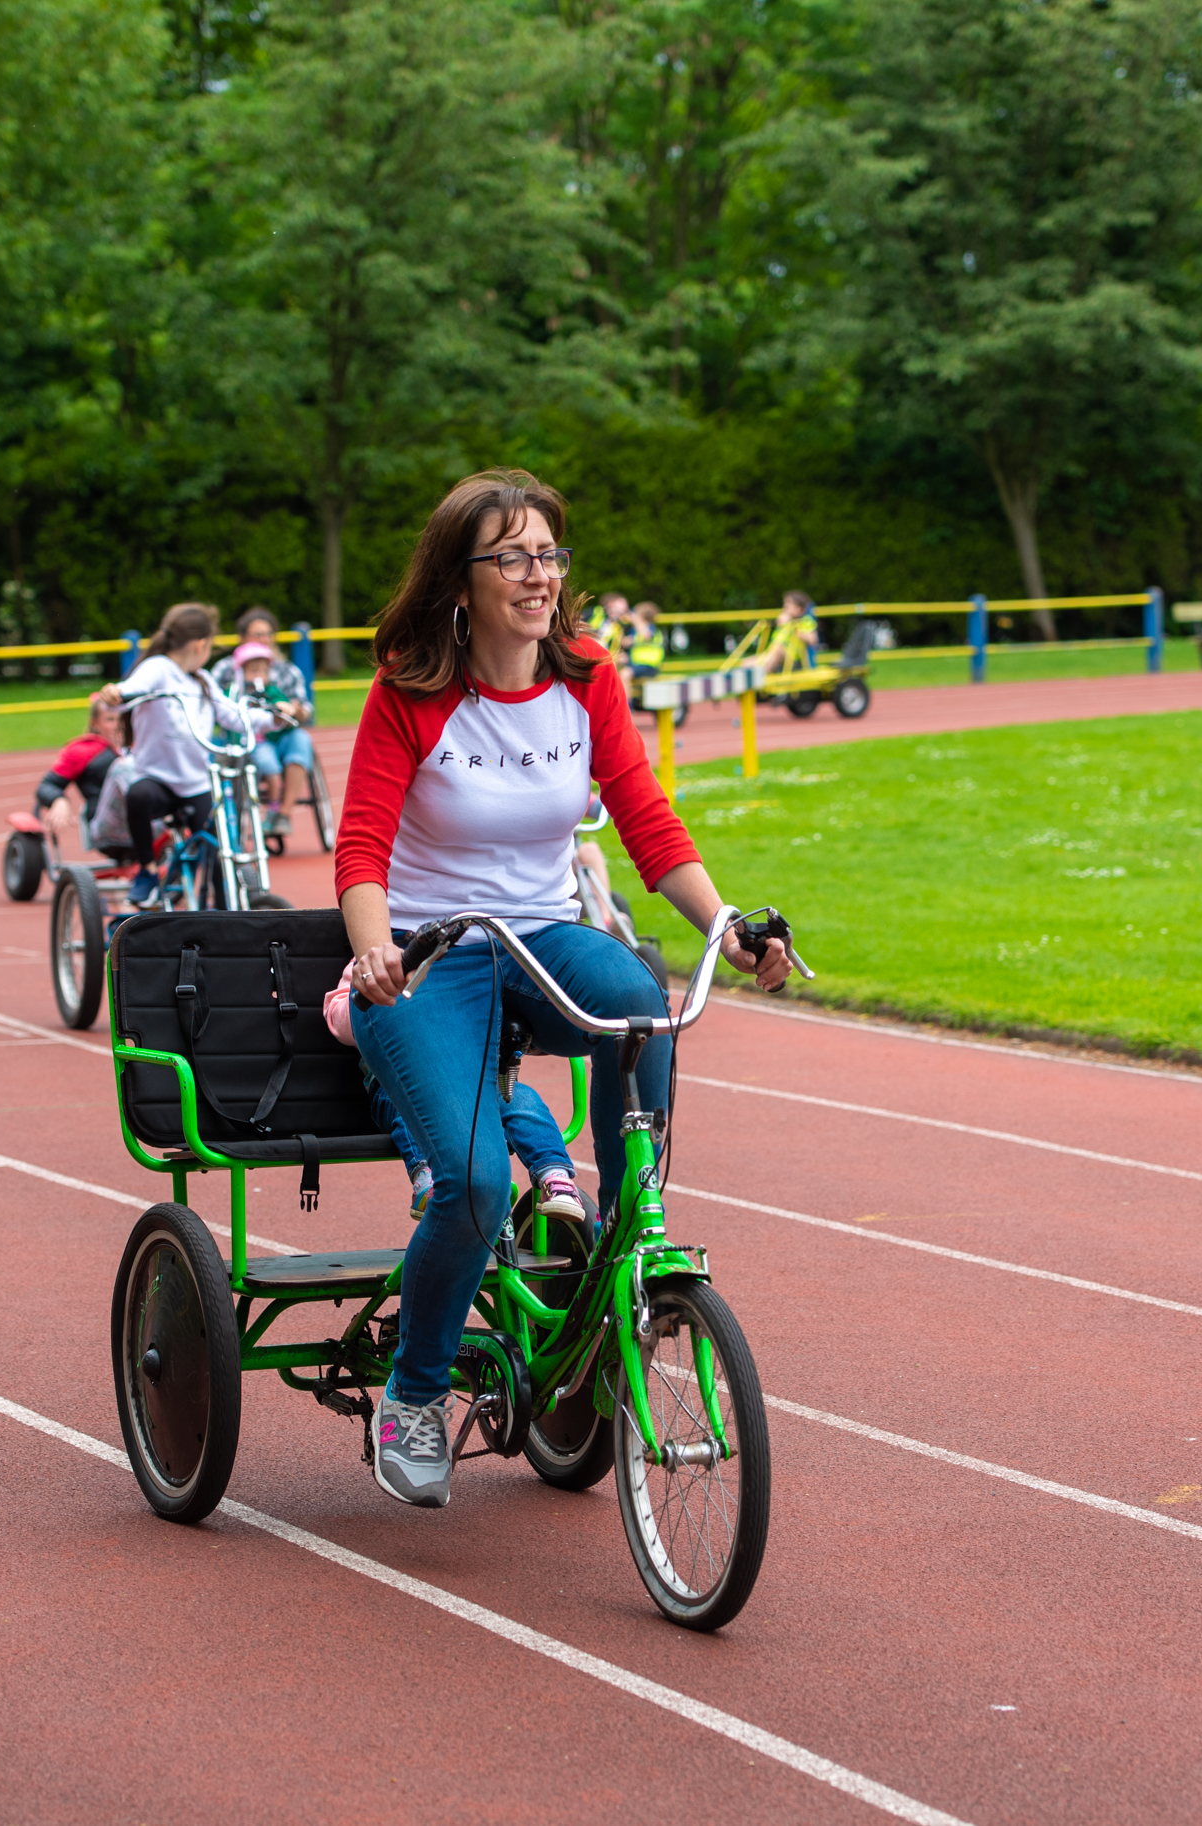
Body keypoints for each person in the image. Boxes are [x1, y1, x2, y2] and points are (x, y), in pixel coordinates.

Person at [335, 468, 791, 1510]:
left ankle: (633, 1228)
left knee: (641, 994)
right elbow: (360, 845)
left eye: (549, 553)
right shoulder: (414, 685)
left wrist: (726, 920)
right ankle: (413, 1391)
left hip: (542, 934)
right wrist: (373, 952)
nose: (538, 574)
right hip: (429, 954)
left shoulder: (587, 675)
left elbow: (645, 819)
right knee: (476, 1181)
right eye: (513, 556)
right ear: (462, 578)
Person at [323, 961, 585, 1227]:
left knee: (522, 1100)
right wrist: (374, 996)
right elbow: (336, 1016)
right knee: (411, 1108)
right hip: (397, 1083)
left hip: (474, 1084)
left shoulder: (470, 957)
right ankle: (428, 1180)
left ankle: (554, 1175)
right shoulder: (373, 959)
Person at [89, 603, 274, 896]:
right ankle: (147, 872)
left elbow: (234, 715)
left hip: (196, 784)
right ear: (201, 644)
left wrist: (275, 717)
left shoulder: (202, 681)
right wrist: (117, 692)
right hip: (158, 781)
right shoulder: (159, 668)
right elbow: (135, 687)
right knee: (138, 794)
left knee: (220, 844)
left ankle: (224, 905)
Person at [215, 632, 317, 841]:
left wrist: (283, 707)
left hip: (268, 742)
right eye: (253, 671)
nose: (259, 675)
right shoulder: (233, 692)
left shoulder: (272, 690)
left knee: (277, 756)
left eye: (263, 670)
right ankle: (264, 807)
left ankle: (277, 809)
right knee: (260, 762)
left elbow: (285, 704)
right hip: (245, 743)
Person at [32, 686, 123, 854]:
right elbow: (47, 785)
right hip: (111, 829)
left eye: (122, 718)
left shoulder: (142, 746)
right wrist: (59, 800)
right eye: (110, 719)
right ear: (96, 723)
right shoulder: (82, 751)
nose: (119, 725)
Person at [773, 589, 822, 671]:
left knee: (777, 651)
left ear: (799, 608)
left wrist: (797, 631)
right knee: (748, 663)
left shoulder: (805, 621)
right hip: (779, 656)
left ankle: (757, 678)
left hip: (794, 659)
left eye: (789, 604)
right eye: (785, 603)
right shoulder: (787, 621)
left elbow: (813, 639)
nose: (785, 607)